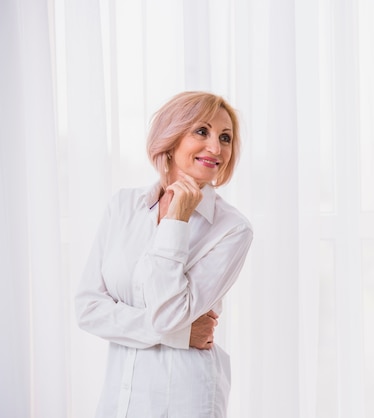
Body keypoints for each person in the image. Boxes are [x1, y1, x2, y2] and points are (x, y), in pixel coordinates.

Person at [75, 91, 253, 417]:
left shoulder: (233, 229)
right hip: (118, 398)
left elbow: (167, 314)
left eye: (225, 137)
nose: (216, 148)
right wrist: (182, 334)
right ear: (170, 139)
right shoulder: (123, 206)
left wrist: (176, 221)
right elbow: (87, 308)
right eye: (202, 131)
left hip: (186, 397)